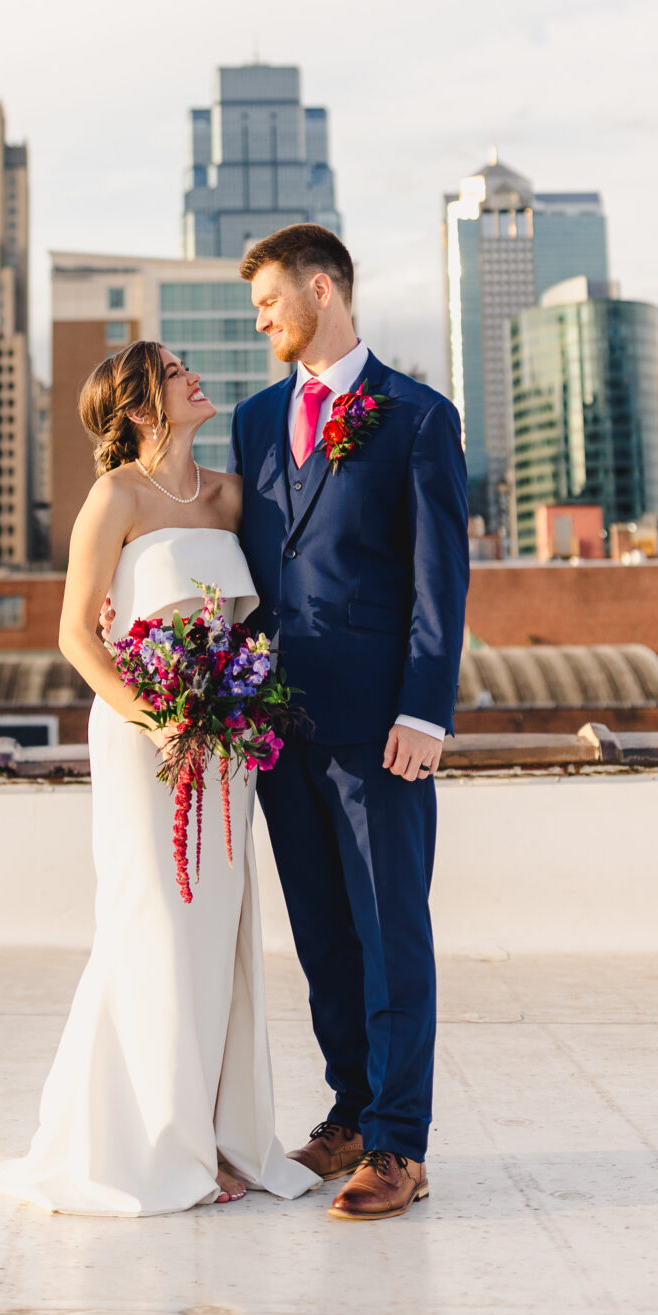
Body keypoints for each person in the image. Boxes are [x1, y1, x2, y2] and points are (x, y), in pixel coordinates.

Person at [0, 339, 319, 1217]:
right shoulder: (115, 497)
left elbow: (259, 620)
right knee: (151, 925)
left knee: (217, 936)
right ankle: (150, 1145)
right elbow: (76, 636)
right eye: (175, 372)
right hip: (145, 740)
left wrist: (231, 711)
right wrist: (159, 717)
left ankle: (215, 1137)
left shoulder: (230, 496)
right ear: (141, 407)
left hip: (227, 747)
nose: (192, 376)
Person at [229, 222, 469, 1223]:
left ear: (322, 288)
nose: (263, 318)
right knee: (325, 933)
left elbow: (439, 576)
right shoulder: (251, 420)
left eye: (270, 299)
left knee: (390, 930)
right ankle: (349, 1114)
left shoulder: (416, 416)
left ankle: (400, 1143)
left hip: (381, 726)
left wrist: (425, 706)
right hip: (280, 725)